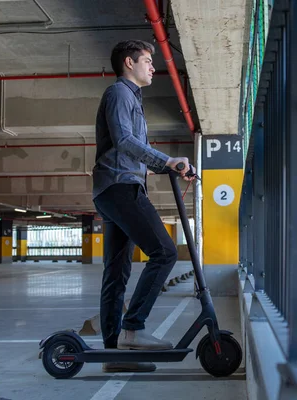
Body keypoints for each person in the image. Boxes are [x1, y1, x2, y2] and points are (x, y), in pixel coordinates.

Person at [92, 39, 193, 373]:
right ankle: (133, 329)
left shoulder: (130, 98)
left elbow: (129, 149)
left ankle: (114, 354)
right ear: (128, 62)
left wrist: (168, 166)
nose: (153, 67)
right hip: (121, 187)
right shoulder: (119, 94)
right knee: (164, 252)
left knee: (116, 272)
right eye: (148, 60)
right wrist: (167, 159)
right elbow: (124, 141)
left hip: (111, 188)